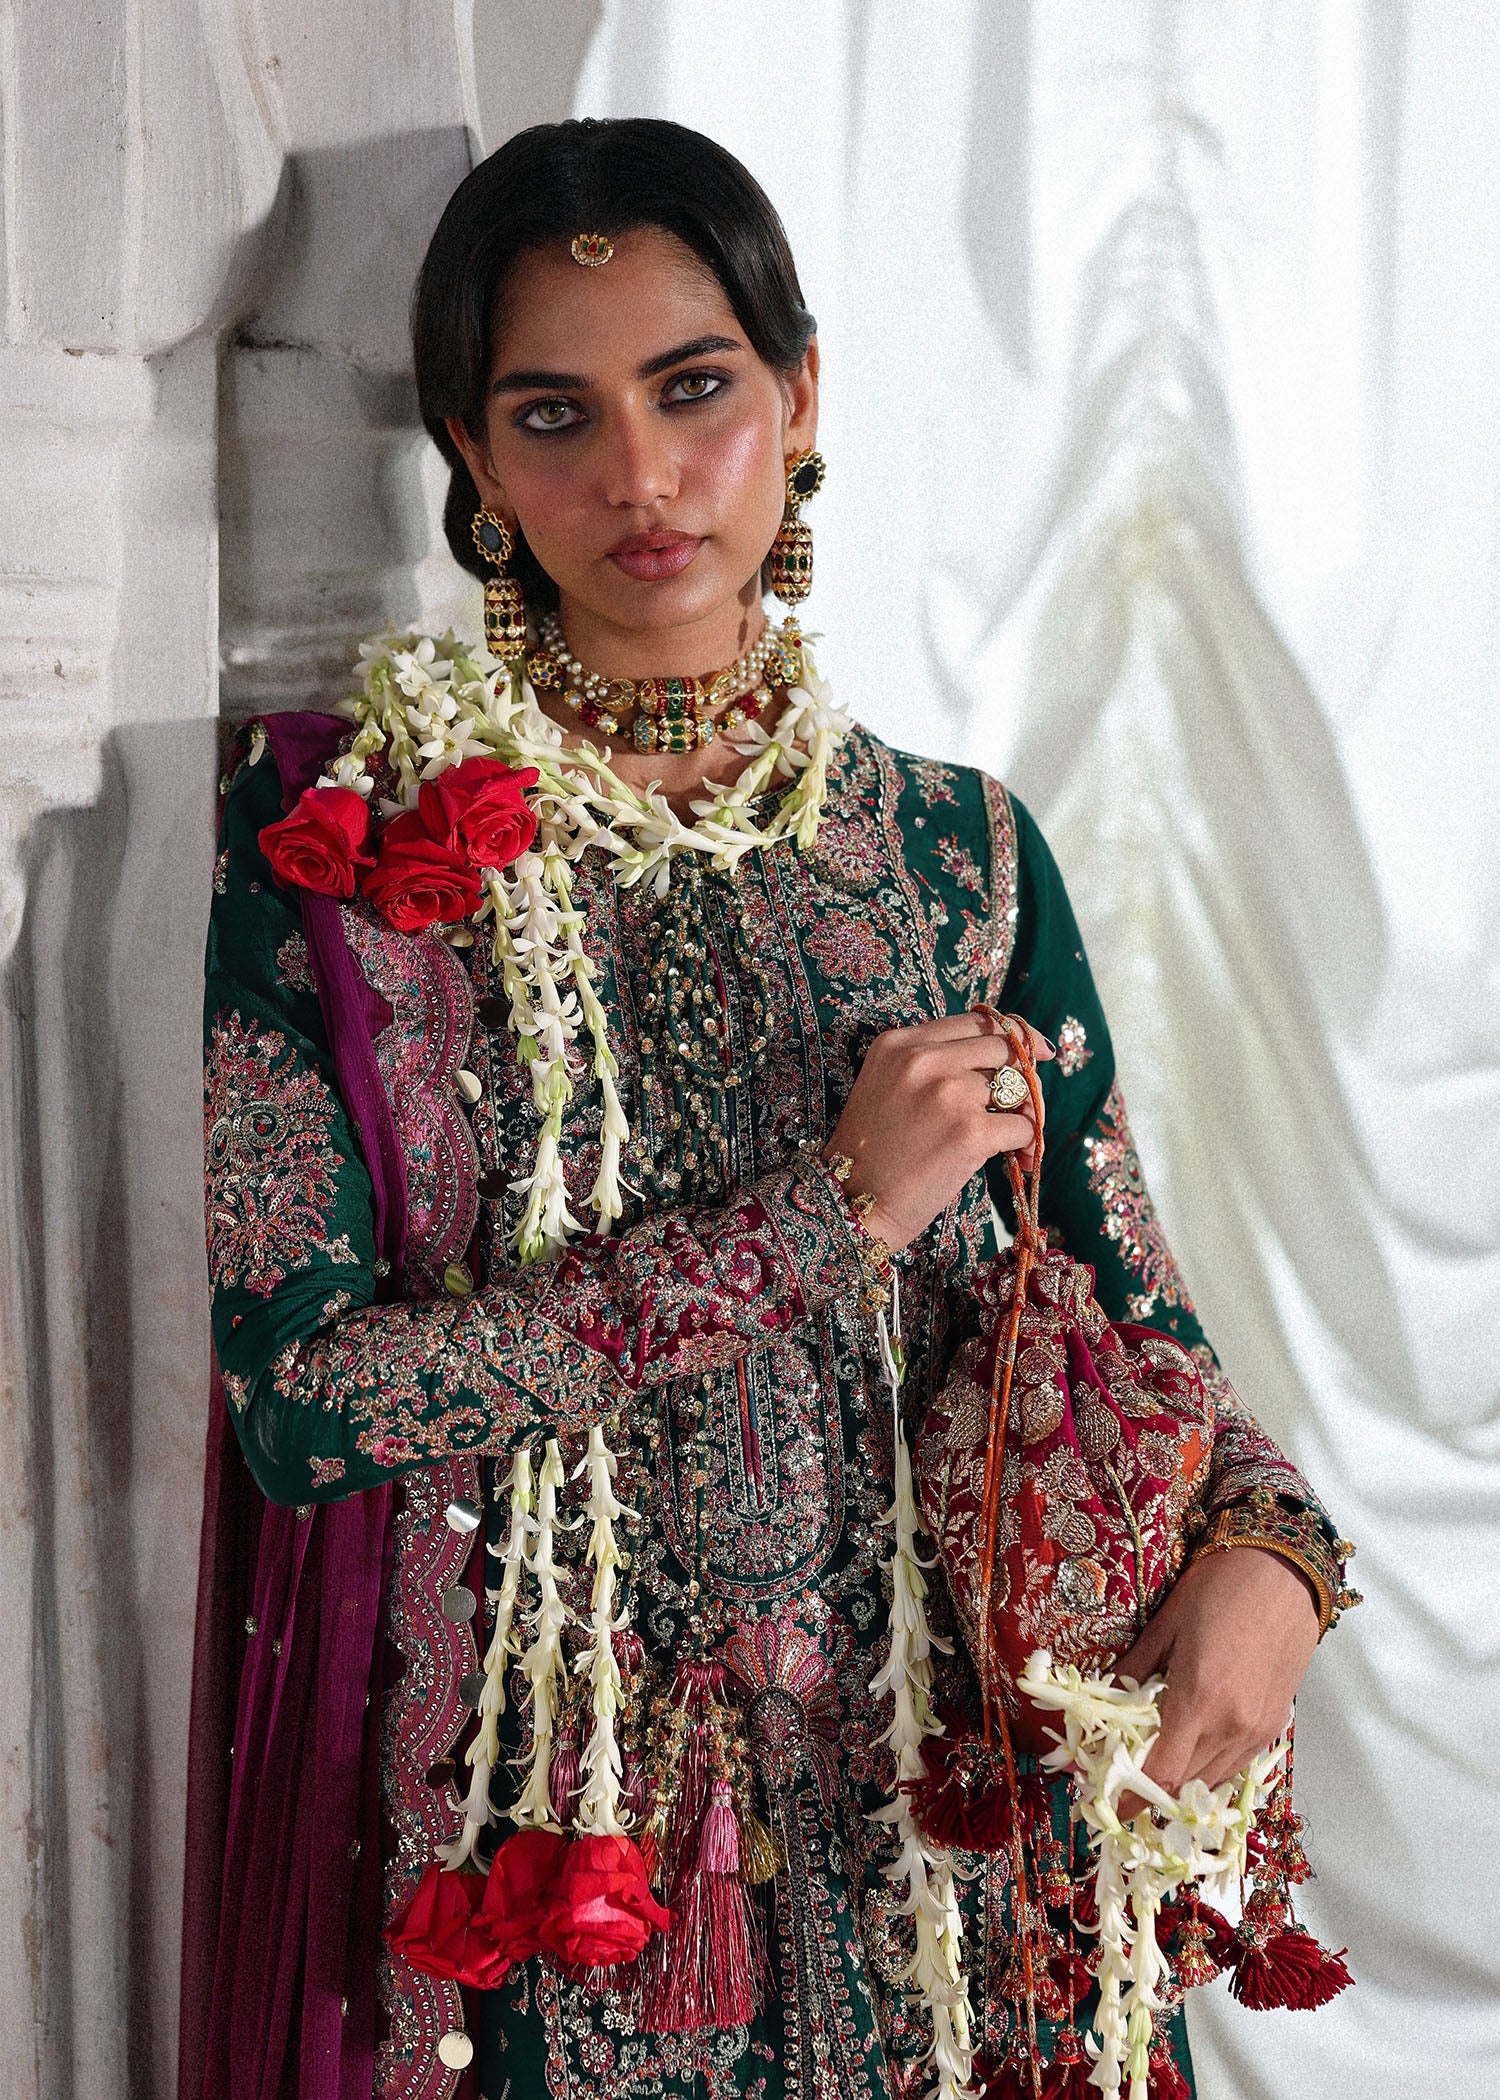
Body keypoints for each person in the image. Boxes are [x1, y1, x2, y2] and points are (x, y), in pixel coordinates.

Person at [187, 116, 1355, 2100]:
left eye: (695, 389)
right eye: (554, 415)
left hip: (943, 1869)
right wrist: (830, 1213)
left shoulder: (958, 856)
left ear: (801, 396)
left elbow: (1139, 1329)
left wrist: (1279, 1559)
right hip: (553, 1876)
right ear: (472, 461)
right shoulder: (348, 858)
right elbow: (311, 1407)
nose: (641, 478)